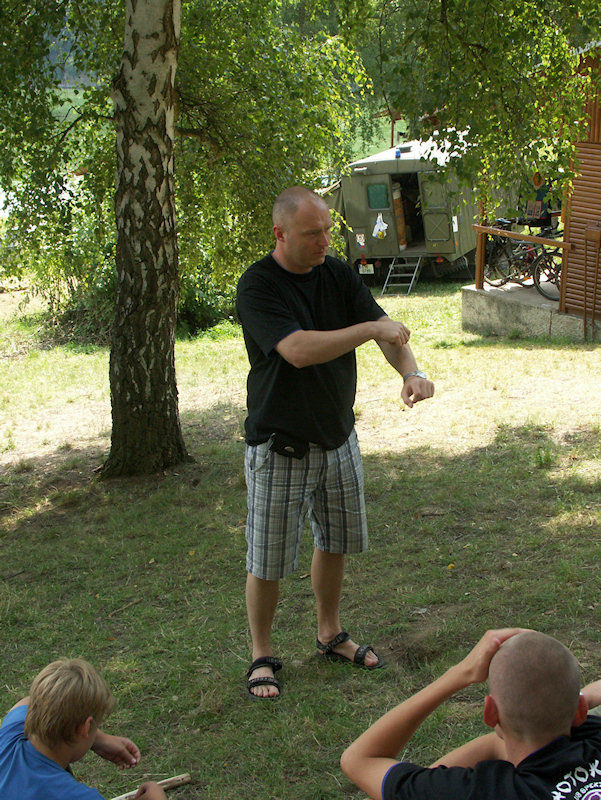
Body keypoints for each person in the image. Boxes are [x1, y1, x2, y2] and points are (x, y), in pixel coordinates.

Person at [236, 186, 434, 699]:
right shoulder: (258, 285)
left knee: (336, 541)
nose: (324, 240)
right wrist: (368, 329)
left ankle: (330, 633)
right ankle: (261, 654)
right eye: (312, 233)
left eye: (328, 230)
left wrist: (411, 373)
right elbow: (298, 350)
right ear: (280, 234)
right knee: (268, 559)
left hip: (339, 439)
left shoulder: (338, 274)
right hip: (281, 446)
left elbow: (388, 331)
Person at [341, 627, 601, 800]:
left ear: (490, 714)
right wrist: (570, 700)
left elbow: (359, 760)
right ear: (580, 711)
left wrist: (460, 673)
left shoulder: (485, 791)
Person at [0, 658, 167, 800]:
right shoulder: (75, 796)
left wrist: (98, 739)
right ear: (85, 728)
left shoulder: (8, 739)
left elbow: (27, 702)